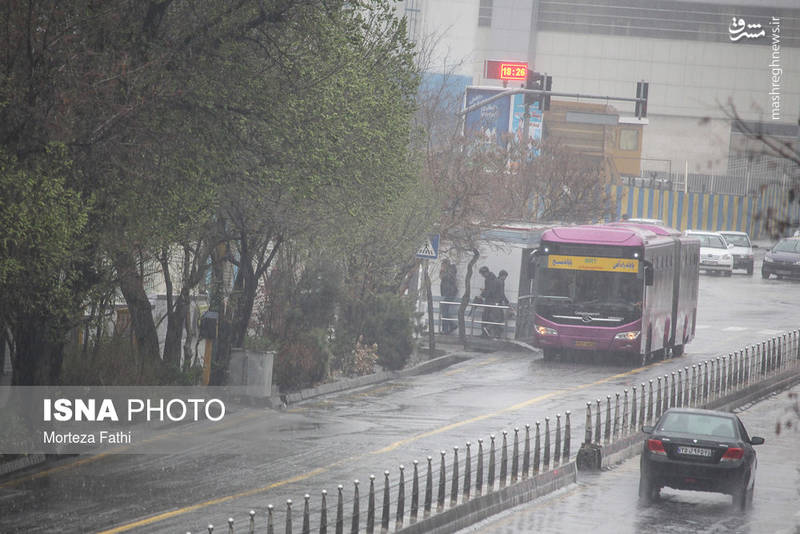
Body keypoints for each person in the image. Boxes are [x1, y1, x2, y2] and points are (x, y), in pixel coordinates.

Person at [439, 260, 458, 334]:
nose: (442, 267)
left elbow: (446, 278)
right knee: (444, 310)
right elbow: (442, 277)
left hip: (451, 292)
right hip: (448, 293)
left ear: (446, 264)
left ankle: (447, 328)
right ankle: (451, 326)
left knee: (444, 310)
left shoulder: (451, 270)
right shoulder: (448, 271)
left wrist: (443, 272)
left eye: (443, 265)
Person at [478, 266, 497, 337]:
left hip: (490, 300)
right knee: (489, 317)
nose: (482, 276)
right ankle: (486, 332)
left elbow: (489, 291)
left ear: (485, 273)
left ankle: (485, 332)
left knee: (485, 317)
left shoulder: (489, 279)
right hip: (492, 300)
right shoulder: (493, 278)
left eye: (482, 274)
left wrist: (483, 293)